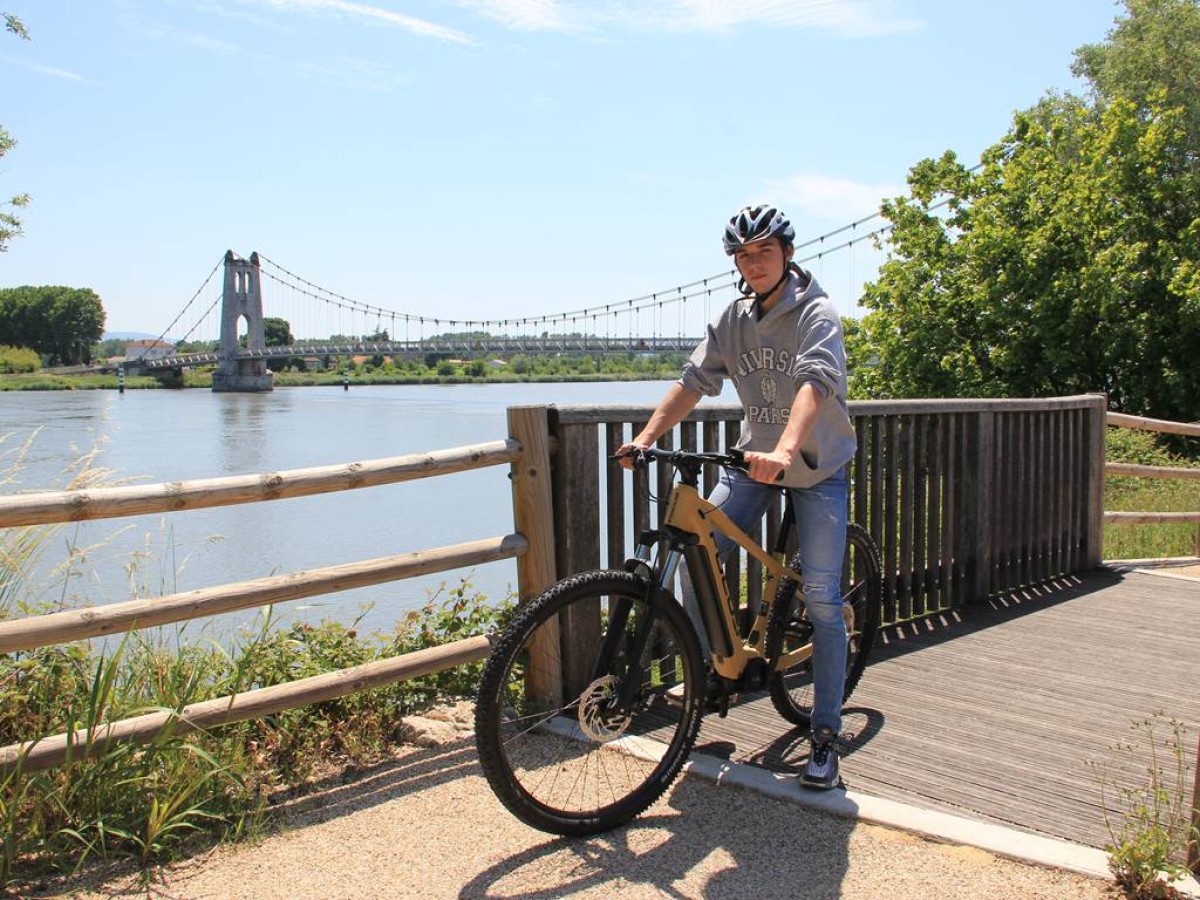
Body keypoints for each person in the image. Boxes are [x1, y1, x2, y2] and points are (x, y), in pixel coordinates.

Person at [617, 203, 857, 790]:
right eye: (743, 256)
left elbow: (815, 384)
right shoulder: (733, 317)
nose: (753, 263)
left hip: (815, 465)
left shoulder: (817, 313)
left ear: (787, 253)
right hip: (752, 462)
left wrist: (787, 448)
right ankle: (714, 670)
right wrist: (646, 439)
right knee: (695, 552)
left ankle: (824, 735)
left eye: (764, 252)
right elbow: (693, 382)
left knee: (823, 598)